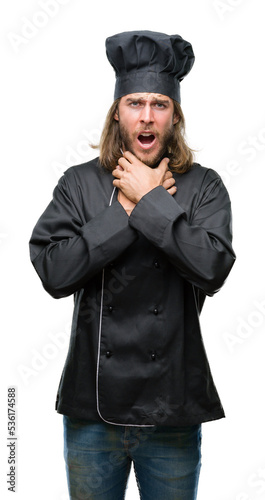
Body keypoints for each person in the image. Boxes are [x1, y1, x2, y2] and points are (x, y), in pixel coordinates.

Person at [29, 30, 236, 500]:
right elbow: (53, 272)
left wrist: (148, 202)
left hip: (172, 410)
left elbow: (214, 268)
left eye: (159, 104)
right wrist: (122, 211)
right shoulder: (79, 184)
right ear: (117, 112)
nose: (147, 116)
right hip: (92, 415)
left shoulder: (204, 187)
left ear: (175, 115)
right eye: (135, 103)